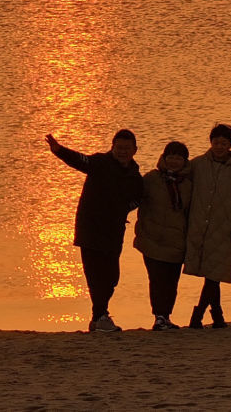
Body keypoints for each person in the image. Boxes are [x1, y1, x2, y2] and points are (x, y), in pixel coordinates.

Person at [46, 129, 145, 332]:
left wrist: (123, 208)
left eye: (127, 148)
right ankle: (100, 317)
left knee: (111, 277)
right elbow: (80, 160)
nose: (122, 151)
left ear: (135, 150)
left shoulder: (134, 175)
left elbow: (138, 198)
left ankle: (99, 315)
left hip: (113, 231)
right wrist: (59, 150)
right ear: (112, 147)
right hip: (90, 230)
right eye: (119, 147)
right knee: (95, 276)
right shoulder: (100, 163)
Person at [183, 123, 231, 328]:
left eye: (224, 143)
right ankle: (215, 315)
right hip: (200, 226)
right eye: (216, 142)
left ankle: (200, 315)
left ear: (230, 145)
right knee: (212, 274)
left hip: (225, 230)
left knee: (215, 274)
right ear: (210, 142)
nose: (220, 146)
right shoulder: (197, 164)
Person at [132, 140, 193, 330]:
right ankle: (159, 316)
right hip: (152, 239)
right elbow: (134, 199)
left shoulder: (189, 184)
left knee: (171, 282)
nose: (174, 161)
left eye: (178, 158)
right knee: (157, 279)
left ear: (184, 161)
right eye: (171, 157)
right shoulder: (151, 179)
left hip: (176, 241)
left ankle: (166, 316)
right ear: (164, 158)